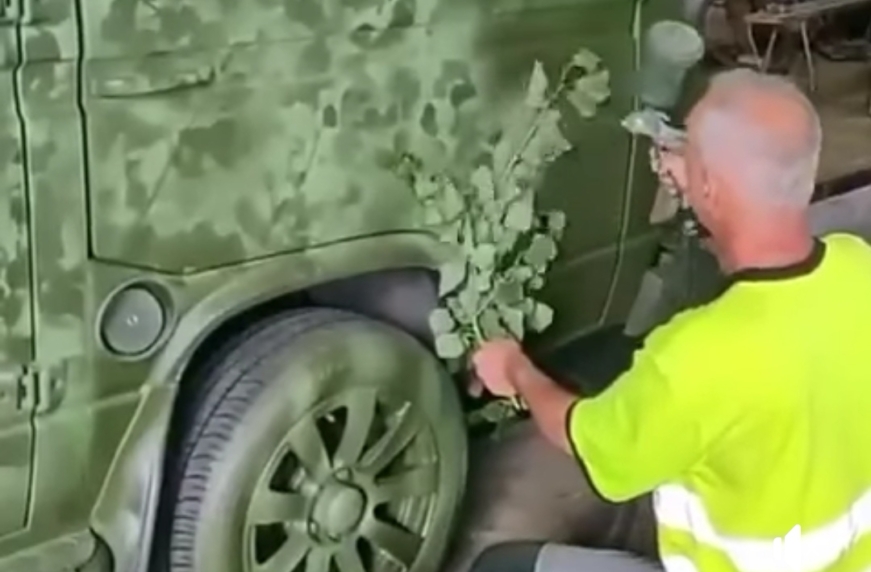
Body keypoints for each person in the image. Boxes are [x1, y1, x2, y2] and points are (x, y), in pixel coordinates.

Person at [468, 68, 871, 572]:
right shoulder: (857, 265)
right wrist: (702, 182)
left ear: (710, 184)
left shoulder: (696, 356)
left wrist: (514, 371)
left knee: (502, 566)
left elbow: (588, 439)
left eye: (689, 148)